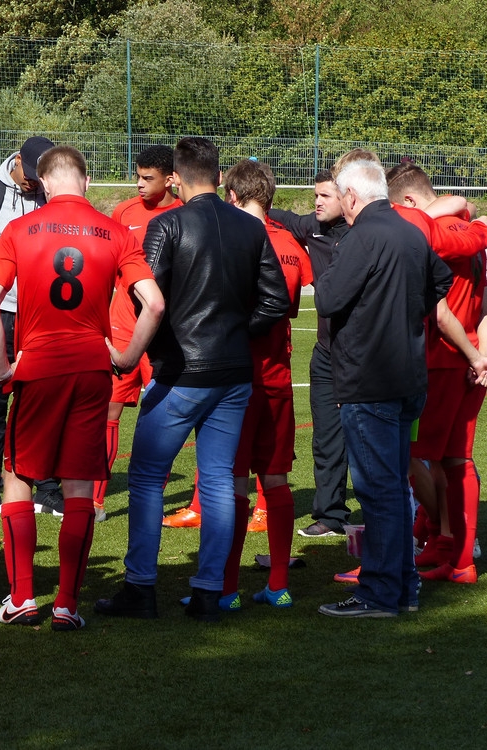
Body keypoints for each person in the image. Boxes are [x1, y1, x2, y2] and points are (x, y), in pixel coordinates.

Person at [95, 137, 289, 623]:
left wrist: (170, 341)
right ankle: (208, 591)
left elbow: (146, 296)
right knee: (220, 480)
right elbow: (275, 300)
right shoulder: (250, 226)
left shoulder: (167, 224)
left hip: (183, 370)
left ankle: (141, 585)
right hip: (232, 371)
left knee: (147, 478)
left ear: (176, 179)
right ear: (220, 177)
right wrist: (234, 331)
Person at [0, 146, 164, 630]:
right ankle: (66, 604)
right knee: (79, 486)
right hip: (91, 369)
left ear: (43, 183)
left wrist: (2, 369)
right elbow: (155, 304)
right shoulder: (116, 231)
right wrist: (126, 357)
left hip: (38, 367)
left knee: (17, 478)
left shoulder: (19, 229)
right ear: (86, 180)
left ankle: (22, 598)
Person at [314, 159, 454, 618]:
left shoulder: (363, 236)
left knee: (379, 491)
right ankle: (402, 588)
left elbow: (328, 298)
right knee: (392, 487)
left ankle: (380, 592)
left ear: (352, 197)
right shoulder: (410, 231)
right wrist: (402, 311)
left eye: (340, 195)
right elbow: (441, 280)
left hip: (369, 380)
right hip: (406, 375)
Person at [387, 162, 487, 584]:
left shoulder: (429, 235)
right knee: (456, 459)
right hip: (470, 363)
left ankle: (436, 534)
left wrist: (472, 357)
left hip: (439, 361)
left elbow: (440, 314)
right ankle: (458, 557)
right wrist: (482, 358)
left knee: (408, 455)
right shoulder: (471, 233)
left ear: (410, 202)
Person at [213, 159, 312, 610]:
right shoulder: (290, 242)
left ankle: (227, 588)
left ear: (232, 196)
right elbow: (291, 307)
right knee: (276, 478)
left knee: (233, 482)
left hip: (235, 378)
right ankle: (278, 584)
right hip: (277, 377)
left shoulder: (230, 237)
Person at [0, 136, 65, 519]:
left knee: (43, 404)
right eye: (31, 173)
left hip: (42, 315)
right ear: (17, 161)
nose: (35, 182)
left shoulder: (53, 195)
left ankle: (47, 487)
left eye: (42, 176)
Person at [96, 144, 182, 522]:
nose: (140, 184)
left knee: (163, 415)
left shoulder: (183, 215)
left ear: (170, 179)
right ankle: (96, 500)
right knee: (109, 410)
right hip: (122, 325)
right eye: (138, 176)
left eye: (148, 178)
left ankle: (151, 498)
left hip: (163, 331)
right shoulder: (124, 212)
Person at [269, 170, 351, 537]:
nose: (317, 202)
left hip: (363, 355)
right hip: (326, 353)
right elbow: (276, 214)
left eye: (325, 196)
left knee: (371, 440)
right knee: (326, 437)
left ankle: (394, 518)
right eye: (315, 195)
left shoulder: (366, 233)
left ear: (348, 198)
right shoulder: (312, 228)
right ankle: (331, 516)